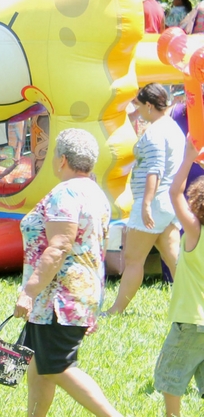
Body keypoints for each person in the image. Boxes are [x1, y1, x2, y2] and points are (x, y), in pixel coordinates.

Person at [13, 128, 120, 417]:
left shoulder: (66, 192)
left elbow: (60, 246)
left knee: (57, 365)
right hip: (71, 295)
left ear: (62, 160)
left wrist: (29, 291)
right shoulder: (95, 192)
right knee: (40, 365)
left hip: (58, 299)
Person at [105, 83, 184, 316]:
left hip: (154, 202)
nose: (137, 111)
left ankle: (115, 311)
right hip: (168, 202)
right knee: (174, 259)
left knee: (133, 260)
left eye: (139, 106)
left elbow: (155, 169)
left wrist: (147, 203)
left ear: (149, 105)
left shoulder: (155, 132)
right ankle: (193, 306)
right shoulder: (173, 127)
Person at [156, 148, 204, 416]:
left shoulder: (195, 232)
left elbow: (175, 193)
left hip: (192, 321)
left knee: (170, 379)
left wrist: (188, 158)